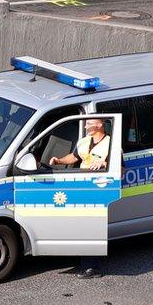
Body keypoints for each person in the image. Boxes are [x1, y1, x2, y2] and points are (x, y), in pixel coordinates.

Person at [48, 118, 111, 279]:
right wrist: (59, 160)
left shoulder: (111, 144)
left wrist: (104, 164)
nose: (86, 126)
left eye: (89, 123)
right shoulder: (84, 141)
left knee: (89, 227)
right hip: (82, 187)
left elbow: (122, 169)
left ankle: (92, 268)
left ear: (100, 124)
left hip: (98, 188)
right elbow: (75, 157)